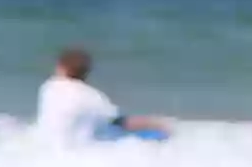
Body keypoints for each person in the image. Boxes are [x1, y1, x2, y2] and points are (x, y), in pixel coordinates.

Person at [34, 48, 170, 144]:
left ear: (60, 68)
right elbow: (123, 123)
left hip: (45, 148)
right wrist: (156, 123)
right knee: (152, 136)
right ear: (87, 72)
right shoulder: (93, 97)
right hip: (77, 153)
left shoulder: (48, 87)